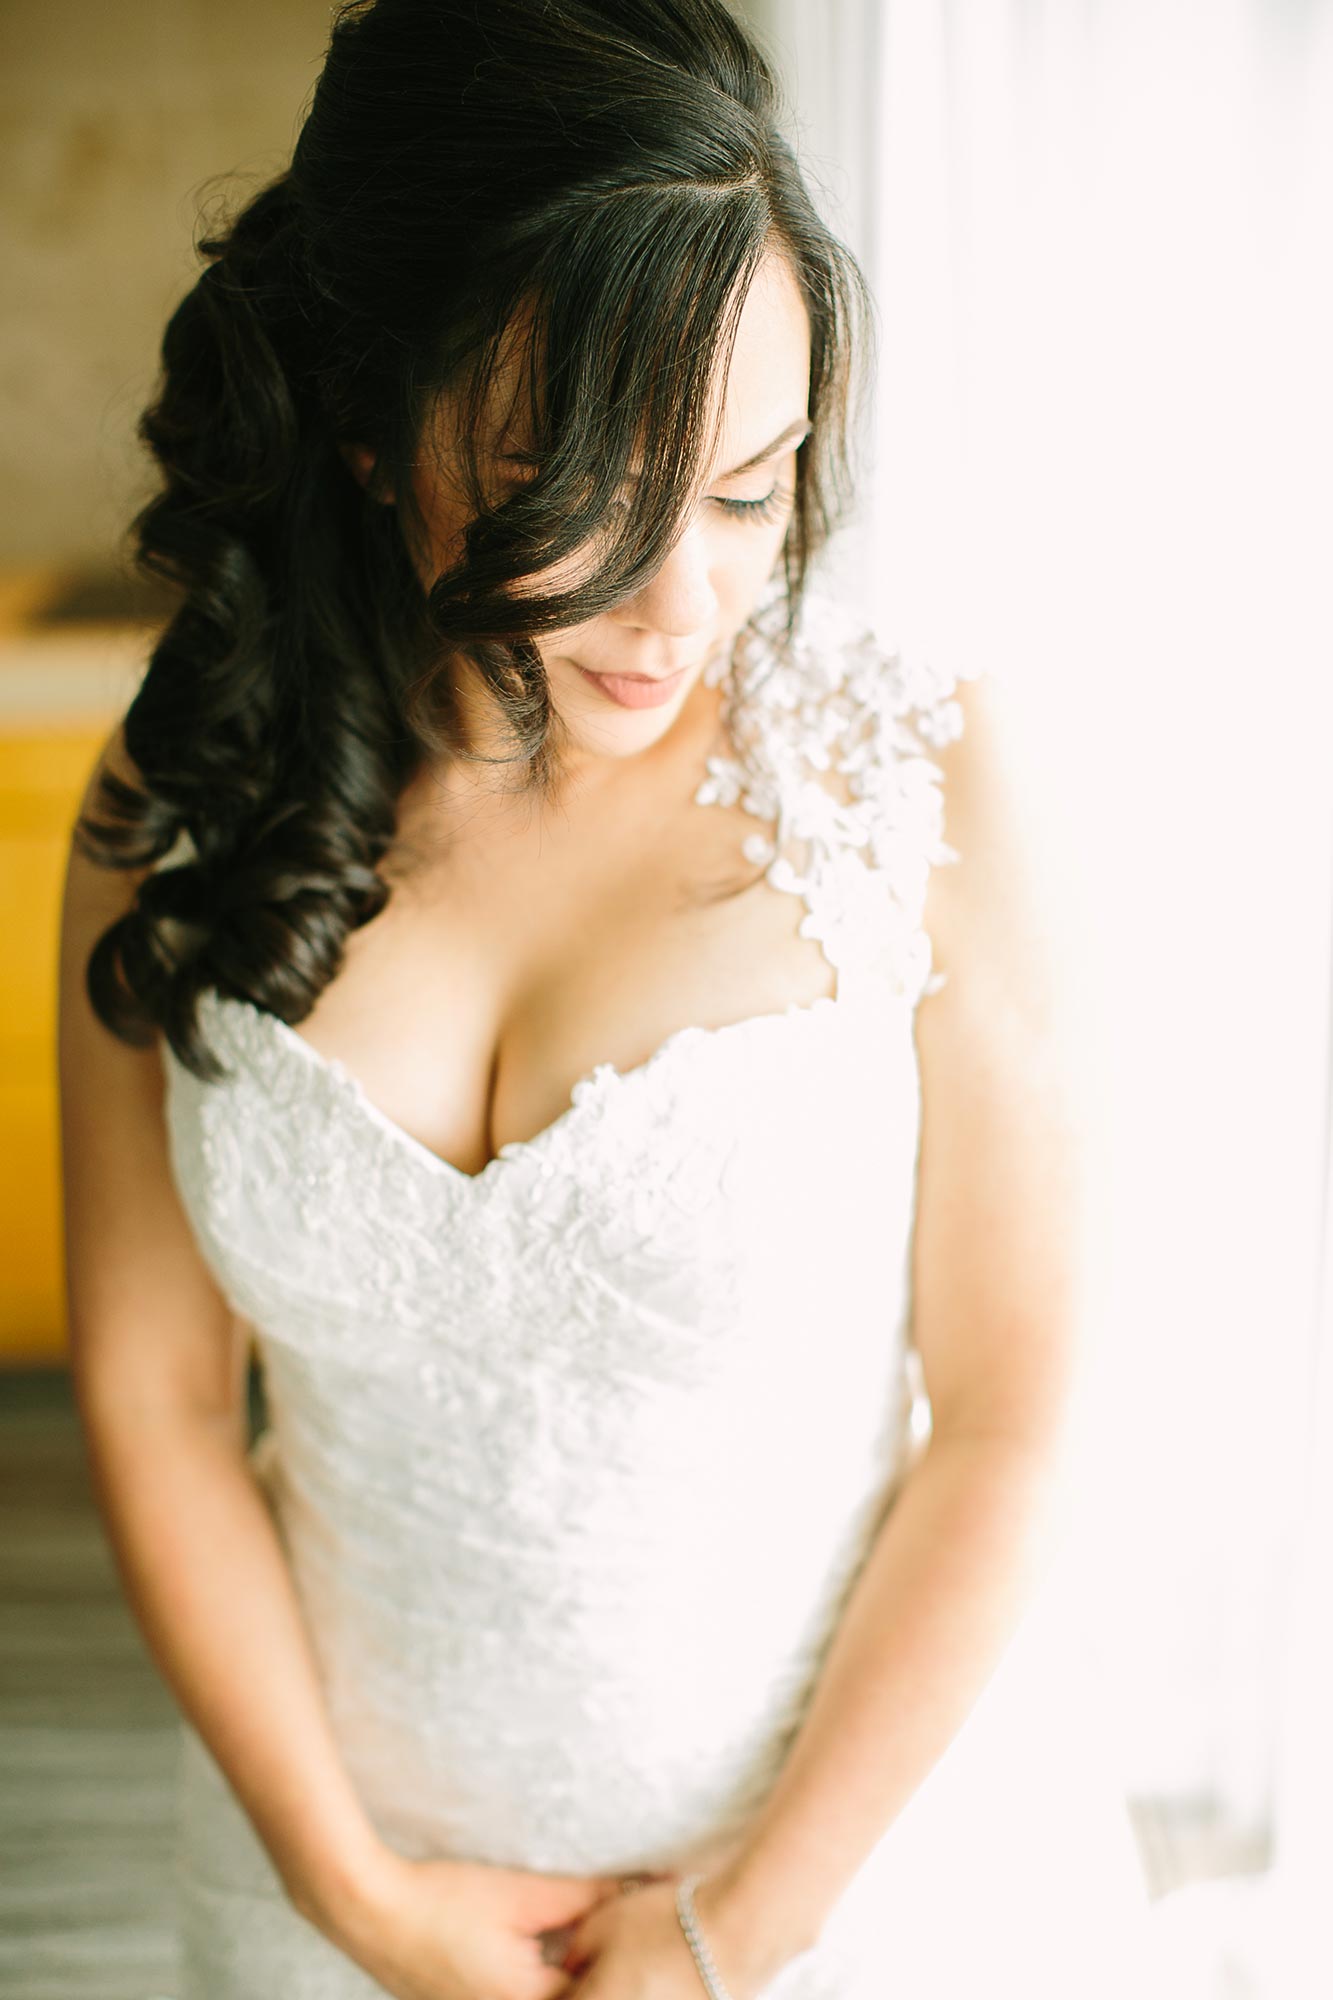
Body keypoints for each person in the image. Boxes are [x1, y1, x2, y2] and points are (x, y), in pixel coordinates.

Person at [56, 3, 1169, 1997]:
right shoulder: (188, 789)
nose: (683, 601)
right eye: (586, 488)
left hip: (854, 1898)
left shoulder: (910, 779)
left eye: (749, 490)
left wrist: (736, 1932)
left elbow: (1010, 1414)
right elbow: (149, 1396)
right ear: (373, 411)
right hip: (334, 1896)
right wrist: (354, 1890)